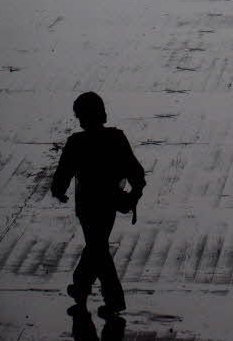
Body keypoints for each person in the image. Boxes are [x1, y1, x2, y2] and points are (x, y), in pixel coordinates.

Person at [52, 92, 146, 322]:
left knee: (97, 248)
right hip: (109, 204)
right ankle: (83, 286)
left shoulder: (77, 142)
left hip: (86, 205)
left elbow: (64, 172)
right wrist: (135, 191)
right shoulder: (116, 138)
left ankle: (108, 297)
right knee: (97, 247)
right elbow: (135, 169)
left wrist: (59, 190)